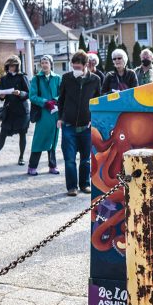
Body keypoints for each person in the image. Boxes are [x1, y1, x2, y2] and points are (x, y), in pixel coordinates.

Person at [58, 50, 102, 196]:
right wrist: (60, 118)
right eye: (73, 66)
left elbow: (97, 102)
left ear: (85, 66)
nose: (75, 70)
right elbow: (61, 99)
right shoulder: (66, 78)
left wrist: (94, 120)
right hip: (68, 125)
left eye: (78, 67)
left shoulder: (95, 80)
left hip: (86, 126)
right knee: (69, 159)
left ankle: (85, 184)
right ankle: (72, 187)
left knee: (85, 159)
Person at [0, 55, 31, 167]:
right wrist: (1, 95)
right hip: (9, 110)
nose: (11, 68)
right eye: (9, 66)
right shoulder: (4, 79)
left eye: (14, 66)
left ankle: (21, 157)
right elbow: (1, 96)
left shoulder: (22, 77)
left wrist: (20, 93)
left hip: (21, 111)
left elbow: (29, 93)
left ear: (17, 66)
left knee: (22, 134)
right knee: (2, 134)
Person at [27, 55, 61, 176]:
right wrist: (45, 102)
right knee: (39, 140)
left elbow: (63, 93)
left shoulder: (57, 78)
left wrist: (56, 100)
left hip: (55, 113)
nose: (44, 64)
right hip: (43, 113)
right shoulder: (36, 79)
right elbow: (32, 96)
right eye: (42, 62)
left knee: (53, 140)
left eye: (46, 62)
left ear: (51, 64)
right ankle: (32, 166)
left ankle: (52, 166)